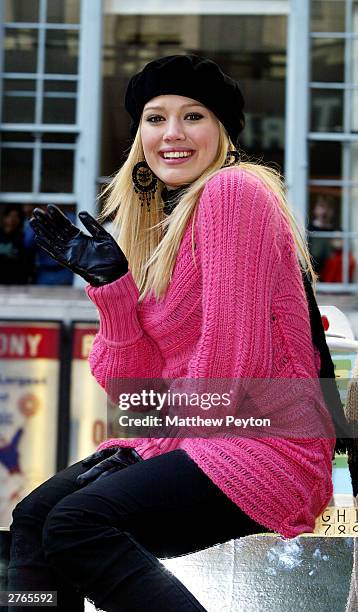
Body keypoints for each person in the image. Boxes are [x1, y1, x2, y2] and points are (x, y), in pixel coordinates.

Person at [7, 54, 349, 612]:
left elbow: (233, 364)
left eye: (193, 117)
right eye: (155, 118)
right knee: (35, 518)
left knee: (76, 523)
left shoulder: (234, 194)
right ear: (138, 132)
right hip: (206, 432)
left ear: (223, 132)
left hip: (266, 442)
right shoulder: (158, 222)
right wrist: (113, 288)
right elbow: (130, 385)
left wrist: (153, 445)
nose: (172, 134)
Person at [0, 205, 29, 285]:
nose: (13, 220)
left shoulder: (23, 237)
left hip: (16, 281)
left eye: (16, 216)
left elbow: (27, 261)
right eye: (10, 216)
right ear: (4, 218)